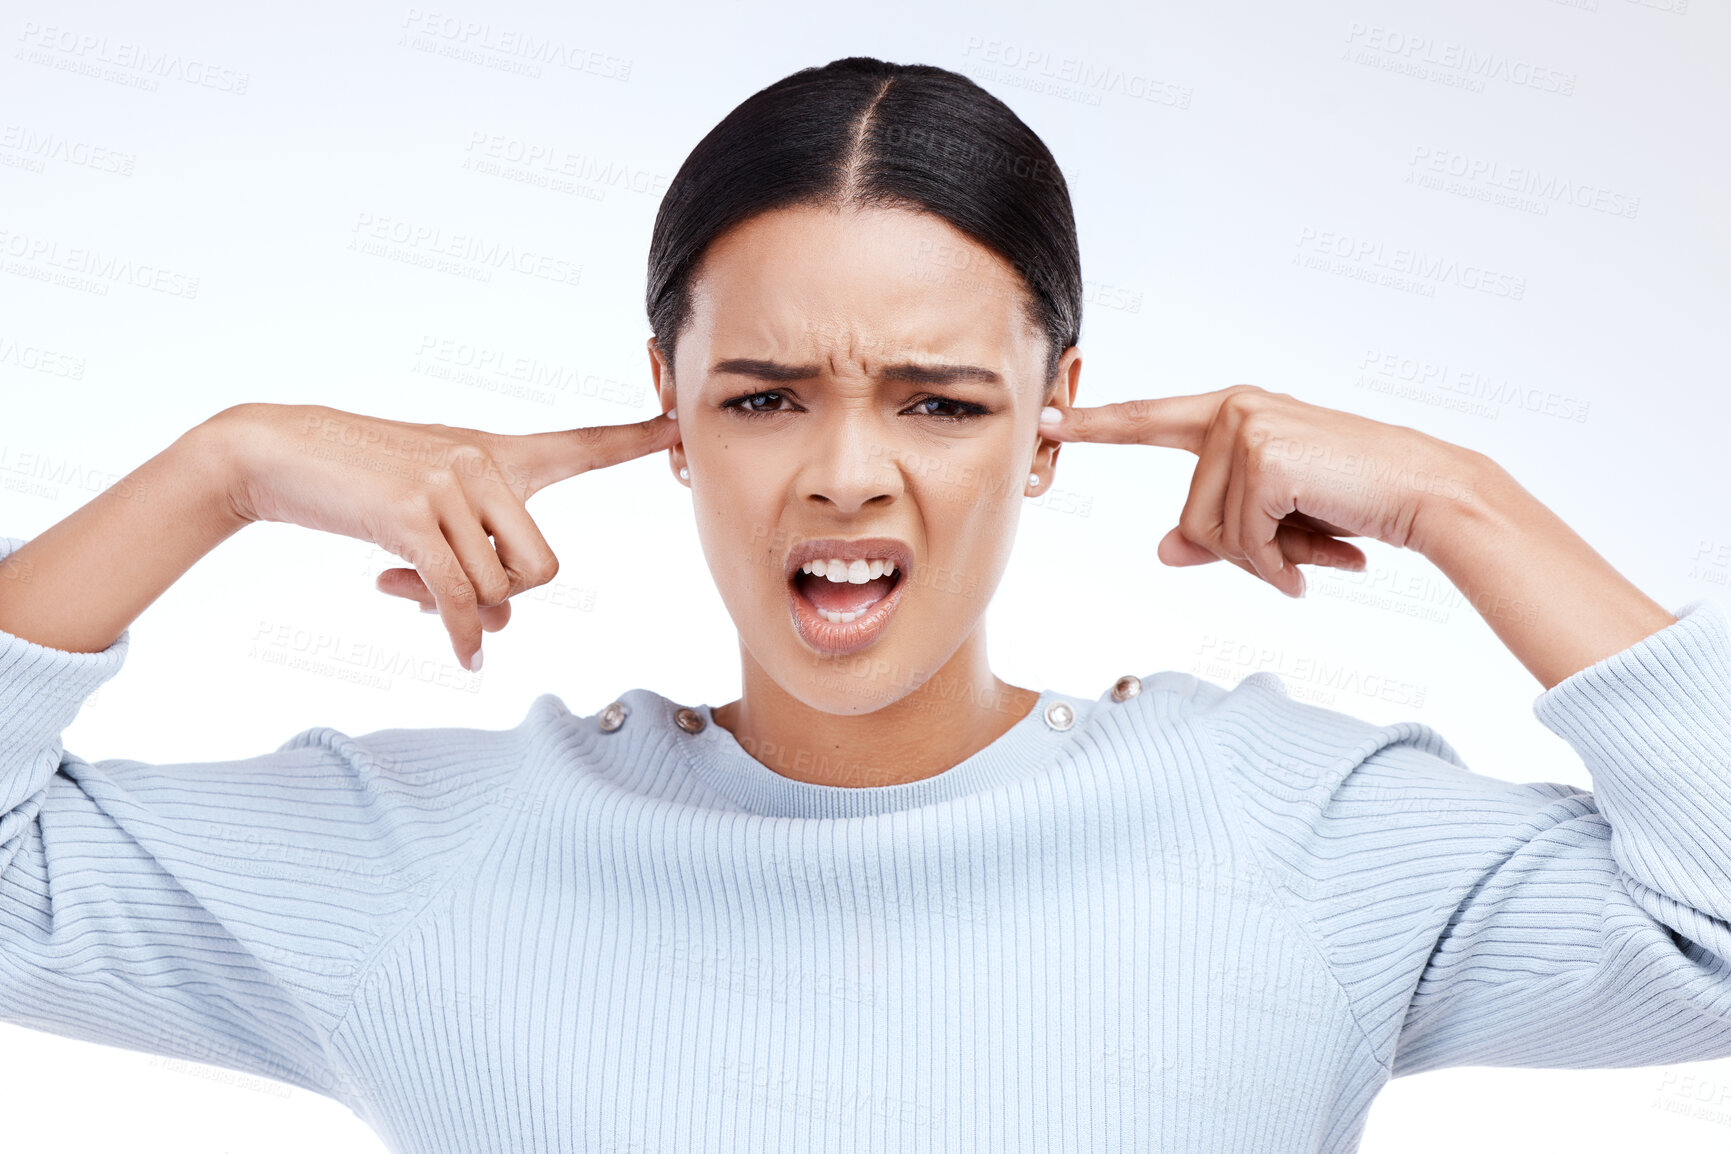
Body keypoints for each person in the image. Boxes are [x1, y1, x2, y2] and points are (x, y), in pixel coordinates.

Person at [1, 54, 1727, 1153]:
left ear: (1054, 423)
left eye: (940, 400)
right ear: (667, 414)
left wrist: (1461, 500)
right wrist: (218, 468)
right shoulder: (438, 853)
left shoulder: (1290, 833)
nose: (844, 473)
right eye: (760, 397)